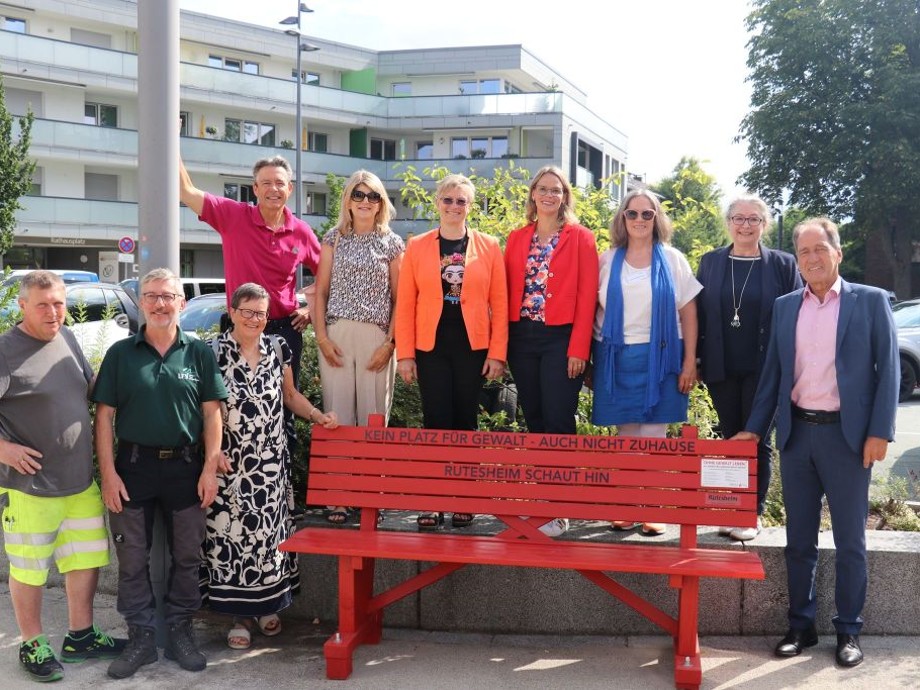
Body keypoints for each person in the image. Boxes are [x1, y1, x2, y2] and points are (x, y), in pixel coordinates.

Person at [735, 218, 898, 669]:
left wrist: (880, 431)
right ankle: (800, 625)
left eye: (819, 249)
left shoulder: (869, 302)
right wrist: (754, 427)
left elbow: (890, 370)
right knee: (798, 540)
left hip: (848, 440)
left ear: (837, 252)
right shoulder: (787, 306)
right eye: (803, 252)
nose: (811, 258)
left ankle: (848, 629)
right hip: (797, 437)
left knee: (851, 541)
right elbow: (772, 376)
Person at [93, 268, 228, 679]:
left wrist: (209, 467)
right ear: (141, 302)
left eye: (167, 296)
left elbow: (212, 413)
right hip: (133, 468)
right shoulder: (121, 354)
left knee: (187, 556)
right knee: (132, 559)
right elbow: (104, 417)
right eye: (150, 296)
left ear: (181, 304)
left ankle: (181, 631)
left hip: (187, 469)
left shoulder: (199, 353)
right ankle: (140, 638)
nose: (159, 303)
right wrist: (109, 474)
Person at [0, 271, 125, 683]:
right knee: (30, 568)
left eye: (59, 303)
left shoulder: (67, 337)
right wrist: (5, 449)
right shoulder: (5, 350)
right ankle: (33, 644)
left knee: (85, 559)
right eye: (43, 305)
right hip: (30, 486)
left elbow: (89, 388)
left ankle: (81, 635)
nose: (54, 312)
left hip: (79, 481)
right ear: (22, 306)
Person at [202, 283, 337, 650]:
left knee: (266, 538)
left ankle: (265, 608)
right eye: (247, 311)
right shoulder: (212, 352)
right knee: (231, 539)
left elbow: (290, 396)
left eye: (261, 313)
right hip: (230, 464)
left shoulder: (277, 348)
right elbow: (202, 406)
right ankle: (239, 616)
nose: (254, 319)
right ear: (232, 312)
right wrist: (210, 453)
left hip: (270, 465)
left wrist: (317, 415)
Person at [395, 173, 508, 530]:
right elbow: (406, 304)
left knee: (465, 423)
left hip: (472, 347)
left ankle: (464, 499)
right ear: (437, 203)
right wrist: (405, 354)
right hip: (431, 347)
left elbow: (500, 304)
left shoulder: (489, 246)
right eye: (448, 200)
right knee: (435, 422)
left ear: (470, 206)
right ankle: (432, 501)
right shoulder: (417, 246)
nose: (454, 206)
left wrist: (497, 353)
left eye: (461, 201)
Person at [592, 190, 702, 537]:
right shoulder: (607, 259)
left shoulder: (672, 259)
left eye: (647, 214)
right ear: (622, 218)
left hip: (664, 356)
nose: (639, 220)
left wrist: (689, 363)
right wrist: (593, 362)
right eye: (632, 213)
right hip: (618, 356)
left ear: (657, 219)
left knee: (655, 436)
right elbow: (591, 312)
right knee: (626, 437)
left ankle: (653, 510)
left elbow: (688, 311)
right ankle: (626, 508)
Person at [696, 195, 802, 541]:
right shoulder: (710, 262)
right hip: (720, 367)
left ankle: (751, 514)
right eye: (738, 218)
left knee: (757, 440)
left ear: (764, 225)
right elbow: (698, 314)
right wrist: (696, 358)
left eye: (753, 219)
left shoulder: (784, 266)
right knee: (730, 439)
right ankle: (731, 510)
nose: (745, 225)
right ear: (728, 222)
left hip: (767, 369)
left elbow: (797, 316)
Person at [504, 166, 598, 537]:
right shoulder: (516, 238)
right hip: (522, 338)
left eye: (556, 190)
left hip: (562, 338)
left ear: (564, 197)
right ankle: (541, 503)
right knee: (535, 421)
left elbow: (588, 297)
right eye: (542, 189)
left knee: (559, 420)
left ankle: (560, 509)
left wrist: (580, 348)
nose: (548, 195)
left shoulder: (581, 238)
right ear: (532, 194)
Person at [312, 171, 403, 524]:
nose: (366, 201)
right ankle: (338, 497)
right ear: (348, 200)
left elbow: (400, 299)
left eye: (373, 196)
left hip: (376, 339)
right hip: (335, 336)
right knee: (337, 416)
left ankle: (370, 499)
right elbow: (319, 292)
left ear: (382, 203)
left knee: (372, 418)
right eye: (359, 195)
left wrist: (390, 343)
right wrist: (321, 337)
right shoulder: (334, 239)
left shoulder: (392, 243)